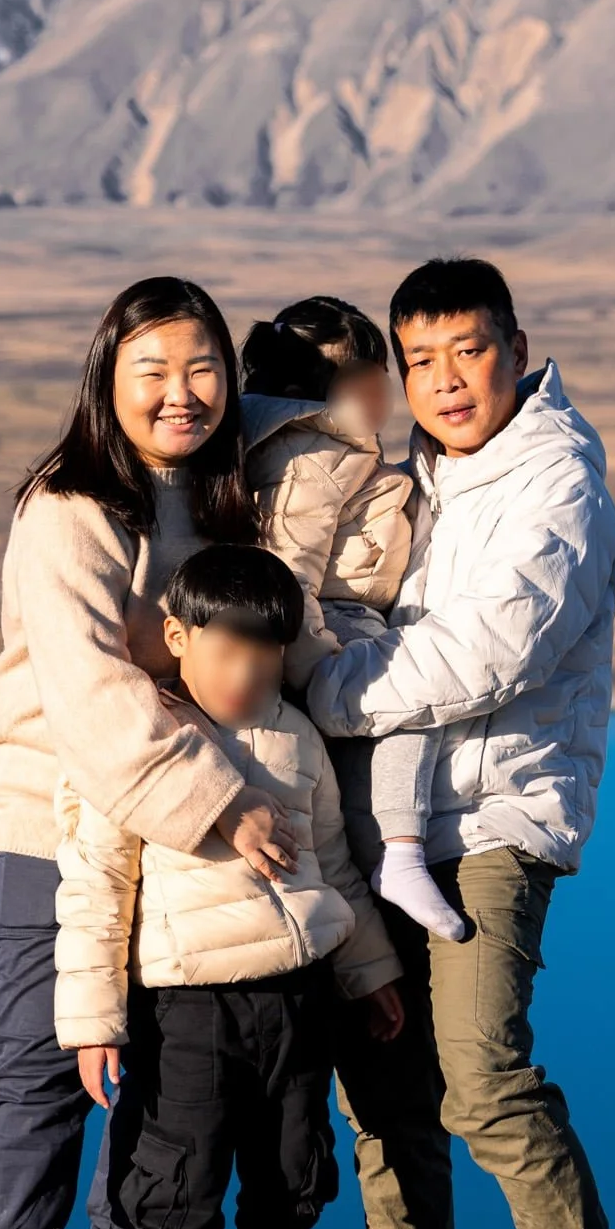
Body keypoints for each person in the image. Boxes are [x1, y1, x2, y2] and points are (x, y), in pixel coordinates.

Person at [0, 276, 301, 1229]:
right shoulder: (69, 508)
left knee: (156, 1056)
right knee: (41, 1059)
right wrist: (219, 805)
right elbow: (94, 692)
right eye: (149, 369)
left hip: (160, 822)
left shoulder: (218, 496)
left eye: (201, 367)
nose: (179, 392)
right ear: (106, 378)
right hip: (43, 813)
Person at [307, 255, 615, 1229]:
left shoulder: (556, 480)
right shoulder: (418, 479)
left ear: (513, 346)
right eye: (420, 361)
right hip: (389, 821)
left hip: (499, 815)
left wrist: (330, 693)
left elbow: (495, 651)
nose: (446, 382)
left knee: (479, 1069)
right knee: (385, 1087)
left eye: (468, 351)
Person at [55, 546, 404, 1229]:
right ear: (176, 637)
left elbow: (334, 867)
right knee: (177, 1179)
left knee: (293, 1173)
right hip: (184, 1012)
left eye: (268, 654)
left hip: (297, 1000)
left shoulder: (297, 740)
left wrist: (369, 974)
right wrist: (93, 1024)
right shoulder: (140, 748)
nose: (249, 672)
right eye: (228, 650)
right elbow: (96, 892)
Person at [239, 297, 468, 943]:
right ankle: (400, 850)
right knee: (411, 694)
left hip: (333, 616)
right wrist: (325, 672)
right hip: (330, 622)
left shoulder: (323, 448)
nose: (388, 394)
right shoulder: (314, 459)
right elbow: (289, 573)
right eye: (376, 381)